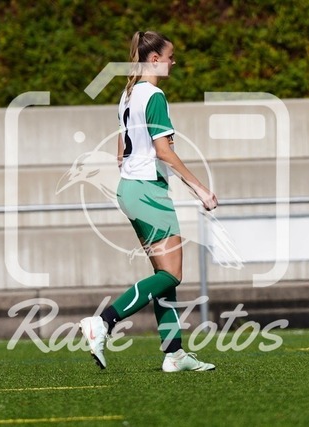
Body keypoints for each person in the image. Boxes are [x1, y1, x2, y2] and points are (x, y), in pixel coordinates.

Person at [80, 30, 217, 372]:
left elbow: (120, 154)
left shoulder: (127, 95)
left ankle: (174, 354)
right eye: (170, 57)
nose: (174, 62)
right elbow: (163, 151)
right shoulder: (154, 95)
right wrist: (200, 189)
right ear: (154, 59)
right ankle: (104, 322)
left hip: (130, 188)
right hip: (147, 191)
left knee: (162, 275)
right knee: (172, 275)